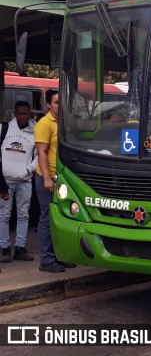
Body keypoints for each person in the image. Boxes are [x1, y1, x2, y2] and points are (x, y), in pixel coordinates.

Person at [34, 89, 75, 273]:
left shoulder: (64, 123)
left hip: (62, 178)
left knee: (61, 218)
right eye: (57, 102)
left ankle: (60, 256)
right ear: (49, 105)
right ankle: (46, 260)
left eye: (62, 102)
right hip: (47, 178)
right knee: (47, 218)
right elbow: (41, 152)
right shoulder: (44, 123)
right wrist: (47, 179)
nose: (60, 105)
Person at [0, 101, 38, 263]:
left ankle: (21, 248)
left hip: (25, 181)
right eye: (20, 113)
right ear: (15, 114)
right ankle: (4, 249)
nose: (23, 116)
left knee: (23, 214)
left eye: (25, 113)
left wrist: (28, 170)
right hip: (6, 181)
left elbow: (39, 155)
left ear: (29, 113)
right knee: (4, 215)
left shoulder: (36, 130)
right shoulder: (4, 129)